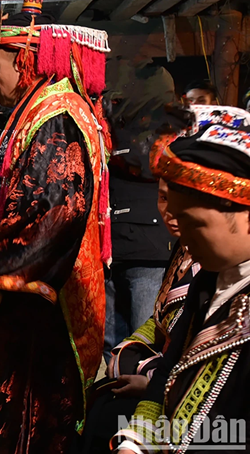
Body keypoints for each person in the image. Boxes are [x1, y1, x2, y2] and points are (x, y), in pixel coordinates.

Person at [0, 0, 111, 452]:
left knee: (27, 423)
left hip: (42, 302)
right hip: (33, 294)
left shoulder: (55, 118)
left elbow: (54, 213)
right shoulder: (42, 110)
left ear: (22, 61)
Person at [114, 105, 250, 454]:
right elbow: (167, 376)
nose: (182, 239)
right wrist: (136, 442)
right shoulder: (209, 279)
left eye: (195, 224)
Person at [79, 179, 198, 454]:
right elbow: (159, 320)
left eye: (184, 200)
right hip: (165, 379)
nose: (171, 212)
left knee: (106, 418)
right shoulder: (184, 250)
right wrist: (126, 353)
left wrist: (150, 381)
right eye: (164, 199)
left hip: (197, 409)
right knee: (98, 404)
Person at [102, 58, 179, 361]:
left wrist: (111, 143)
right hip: (112, 249)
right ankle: (113, 401)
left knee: (143, 344)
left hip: (148, 251)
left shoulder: (165, 124)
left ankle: (141, 405)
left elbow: (145, 162)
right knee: (112, 347)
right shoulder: (117, 124)